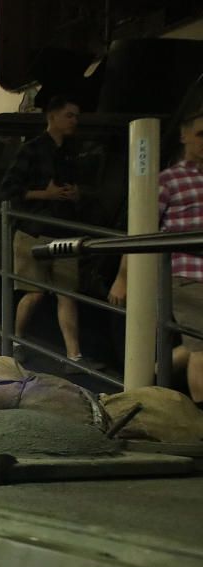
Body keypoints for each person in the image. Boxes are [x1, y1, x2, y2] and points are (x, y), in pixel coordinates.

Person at [109, 109, 203, 404]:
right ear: (184, 136)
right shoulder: (168, 180)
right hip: (186, 274)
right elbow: (140, 230)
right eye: (201, 134)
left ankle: (142, 377)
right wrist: (123, 277)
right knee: (202, 349)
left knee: (194, 342)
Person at [0, 95, 92, 368]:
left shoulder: (71, 152)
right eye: (69, 115)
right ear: (52, 116)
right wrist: (46, 194)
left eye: (76, 116)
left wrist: (75, 194)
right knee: (34, 292)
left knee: (67, 293)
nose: (74, 121)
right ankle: (17, 341)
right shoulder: (31, 150)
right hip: (34, 230)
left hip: (63, 229)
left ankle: (74, 356)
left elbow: (80, 187)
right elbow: (8, 190)